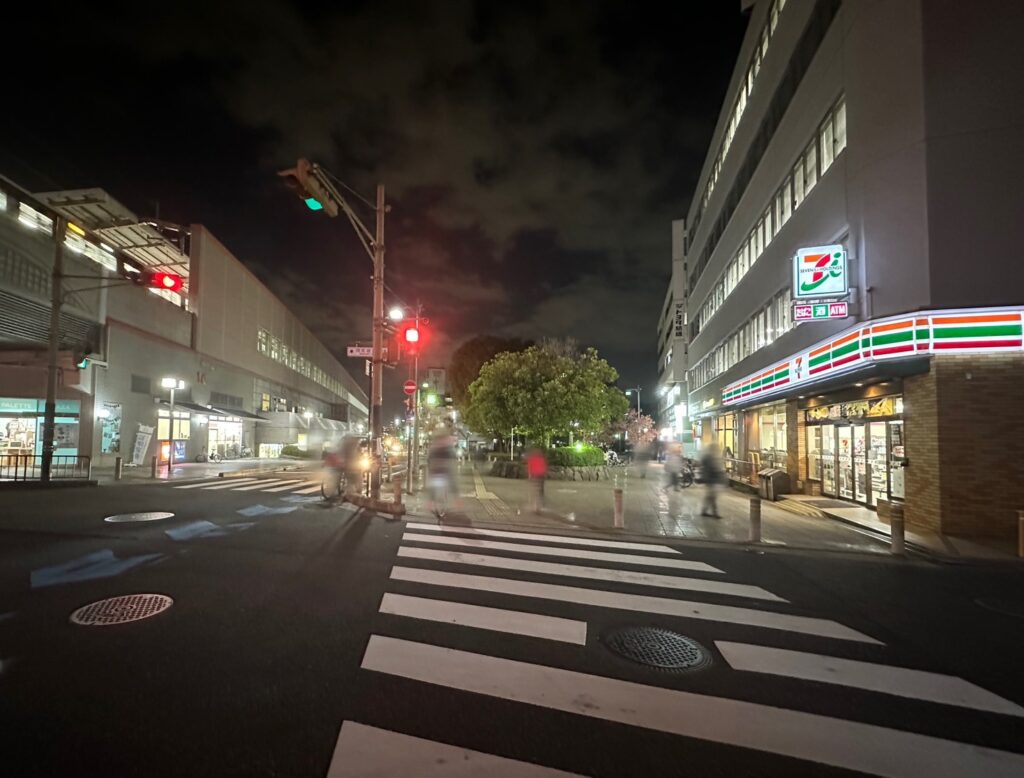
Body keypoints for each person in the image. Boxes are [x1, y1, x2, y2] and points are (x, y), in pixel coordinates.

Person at [427, 427, 458, 517]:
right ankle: (456, 499)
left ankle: (431, 501)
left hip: (436, 470)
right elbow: (453, 456)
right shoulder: (447, 445)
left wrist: (430, 465)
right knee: (451, 481)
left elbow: (429, 458)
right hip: (444, 470)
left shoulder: (434, 446)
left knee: (432, 485)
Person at [700, 442, 726, 518]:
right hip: (712, 481)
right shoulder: (710, 458)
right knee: (712, 497)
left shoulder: (712, 457)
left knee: (710, 497)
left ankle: (705, 511)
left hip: (712, 481)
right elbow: (712, 469)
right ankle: (714, 513)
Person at [525, 447, 548, 513]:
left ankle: (535, 506)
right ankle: (539, 506)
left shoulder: (532, 459)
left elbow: (530, 468)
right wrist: (544, 475)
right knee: (540, 491)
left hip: (534, 476)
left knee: (534, 491)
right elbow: (544, 467)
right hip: (541, 476)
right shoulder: (542, 459)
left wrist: (529, 476)